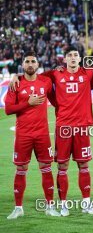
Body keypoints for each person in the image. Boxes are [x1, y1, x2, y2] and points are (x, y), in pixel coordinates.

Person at [5, 52, 60, 219]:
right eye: (27, 61)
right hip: (23, 134)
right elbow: (8, 109)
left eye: (33, 61)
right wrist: (26, 103)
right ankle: (18, 208)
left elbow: (56, 100)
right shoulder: (16, 83)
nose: (30, 64)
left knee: (46, 168)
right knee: (21, 169)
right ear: (23, 64)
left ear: (38, 64)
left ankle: (50, 206)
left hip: (42, 134)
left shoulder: (46, 81)